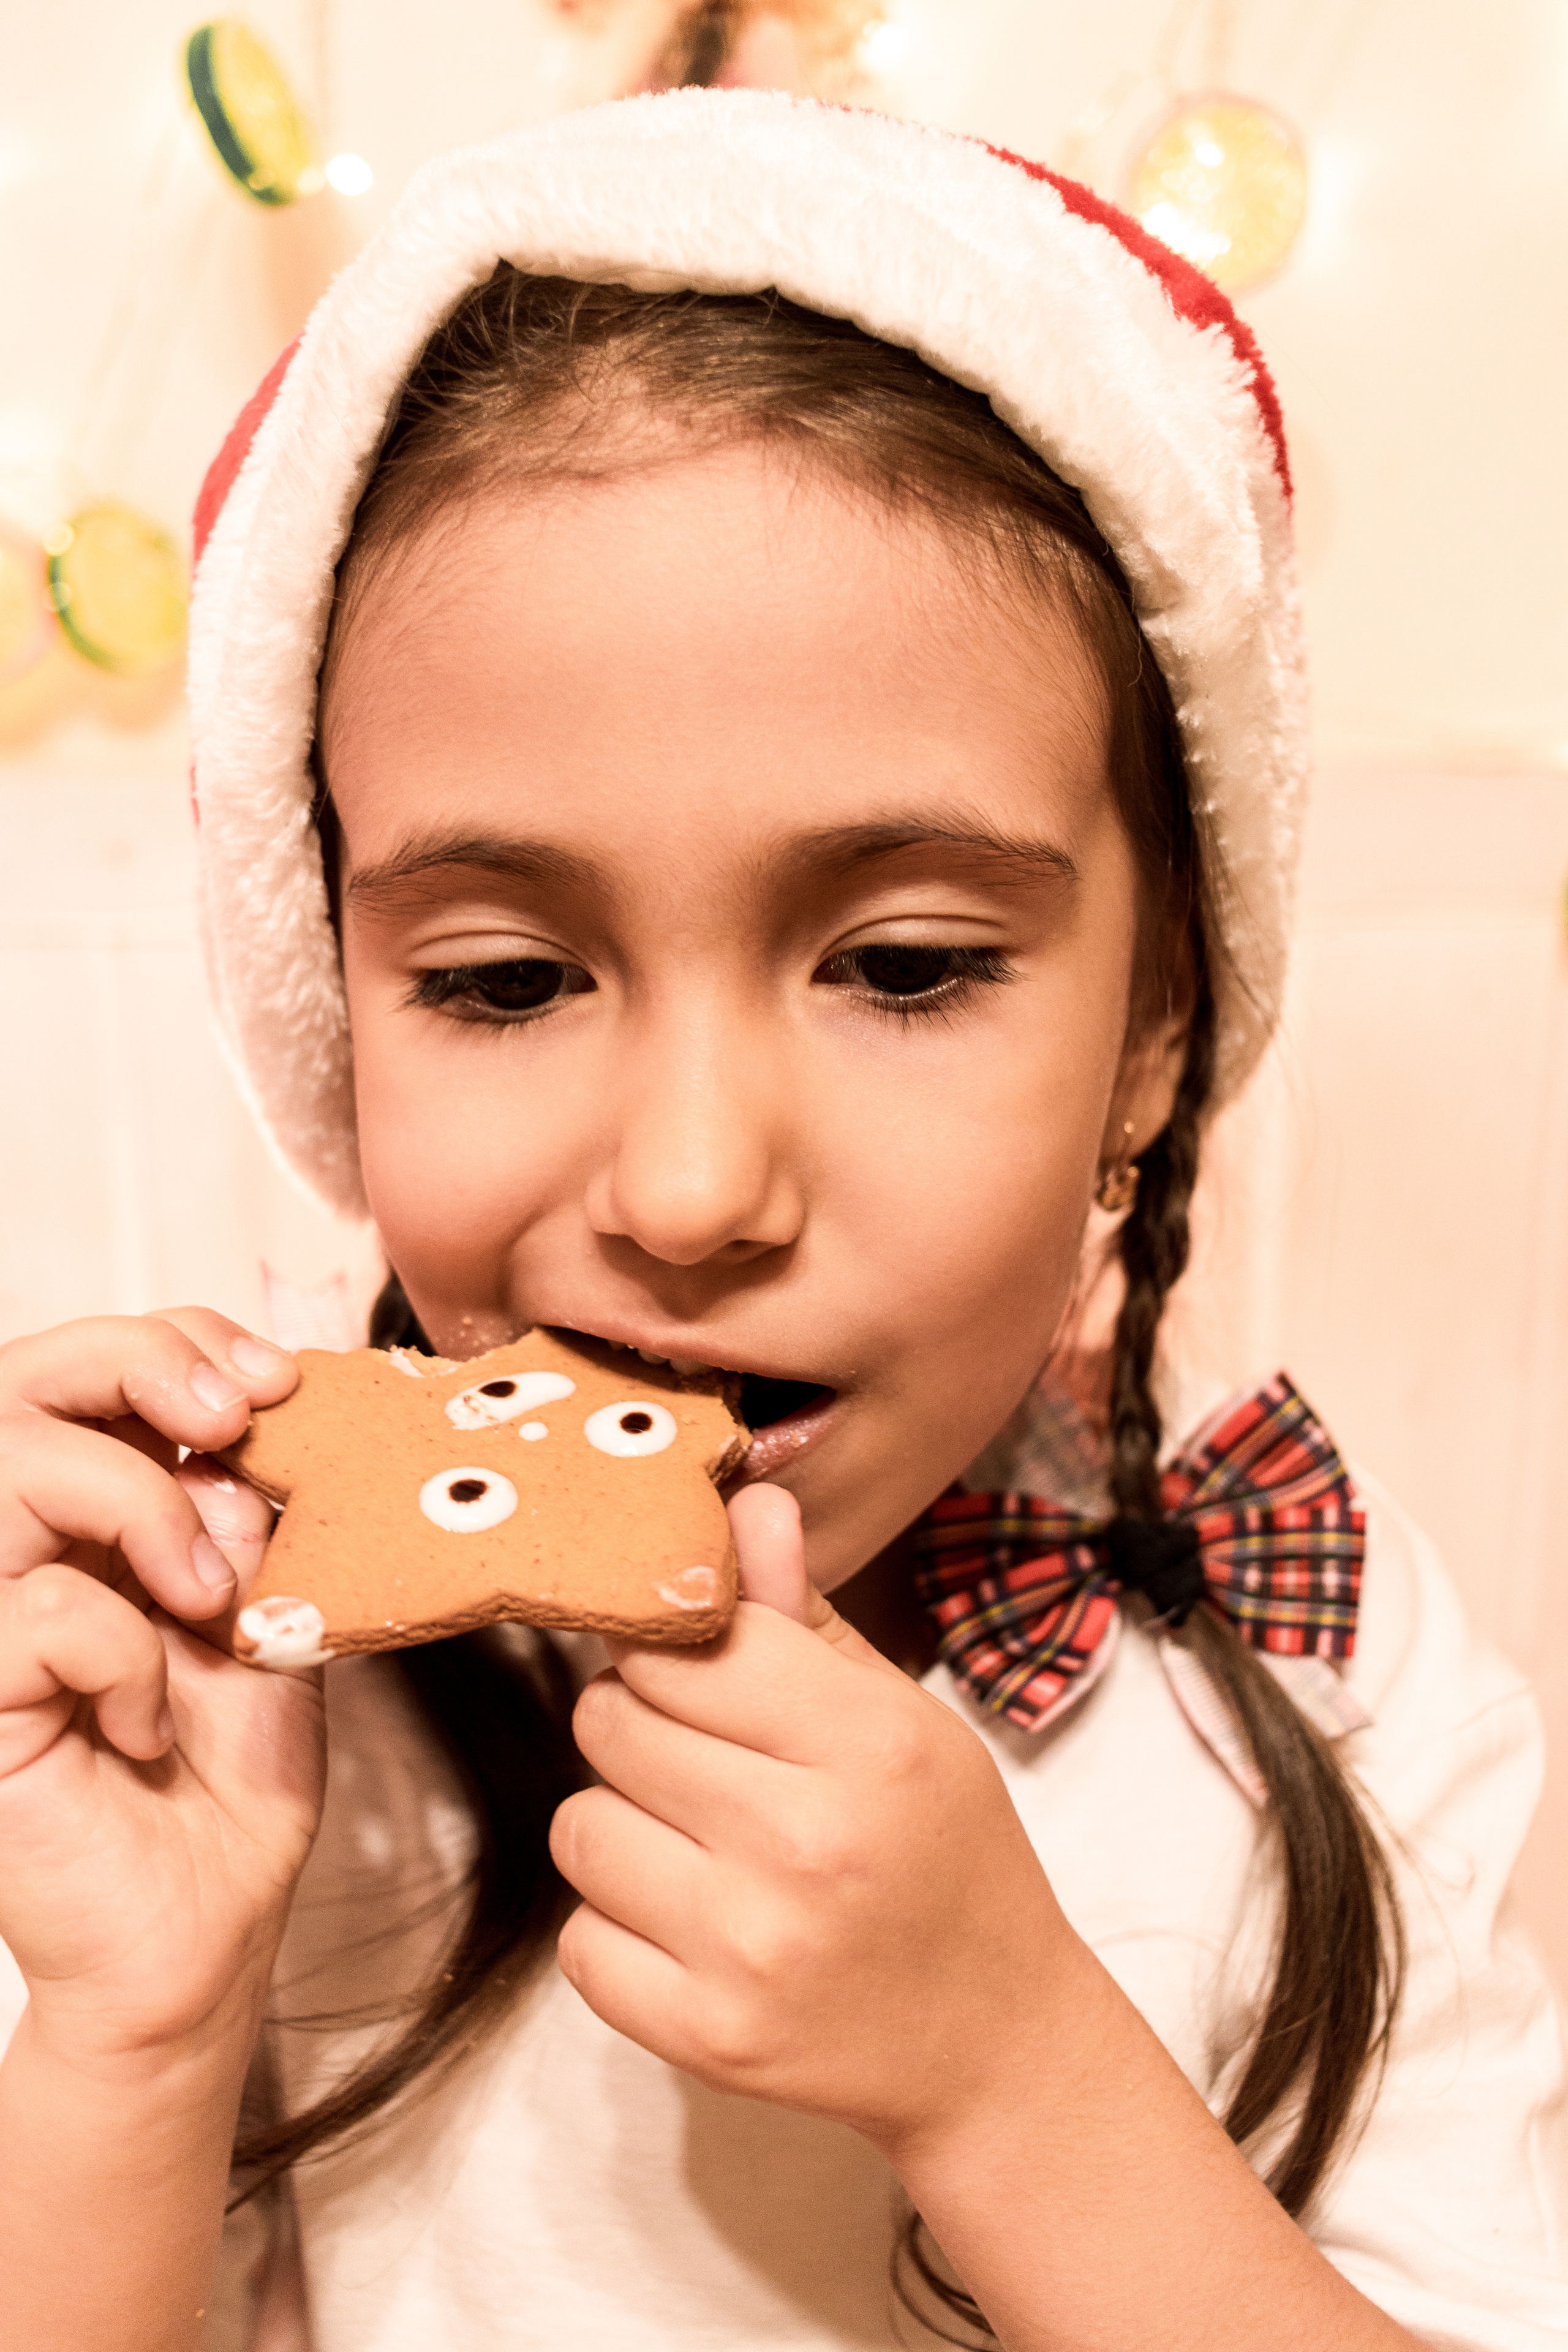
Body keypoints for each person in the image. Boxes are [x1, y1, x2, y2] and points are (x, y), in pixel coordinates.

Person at [0, 90, 1562, 2352]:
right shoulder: (226, 1688)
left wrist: (1015, 2078)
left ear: (1151, 1034)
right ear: (334, 1017)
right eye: (508, 981)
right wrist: (128, 2043)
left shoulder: (1322, 1651)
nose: (696, 1190)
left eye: (908, 966)